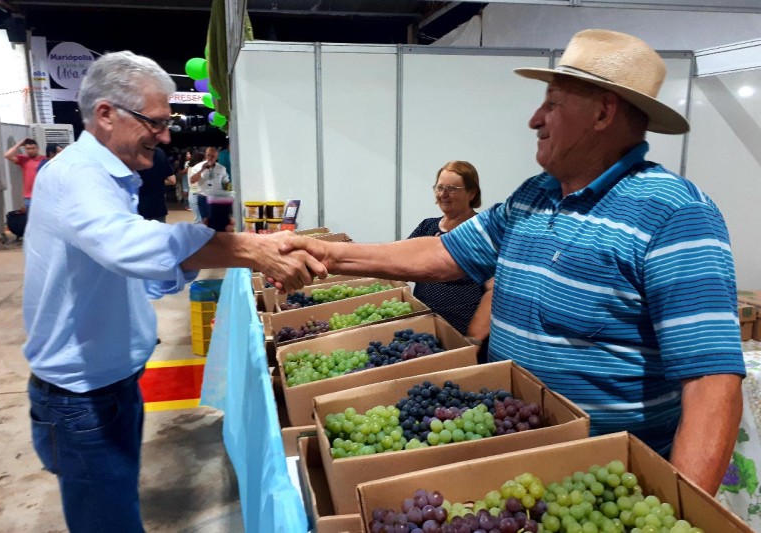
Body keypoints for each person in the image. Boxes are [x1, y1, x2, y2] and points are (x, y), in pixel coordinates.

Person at [278, 29, 745, 496]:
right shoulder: (533, 198)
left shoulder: (675, 215)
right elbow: (443, 253)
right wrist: (329, 253)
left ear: (604, 112)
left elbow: (711, 384)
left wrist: (683, 514)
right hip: (508, 469)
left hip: (597, 494)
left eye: (553, 103)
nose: (534, 119)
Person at [22, 50, 325, 533]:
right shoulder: (78, 177)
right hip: (83, 399)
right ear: (106, 114)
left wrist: (213, 252)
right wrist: (243, 248)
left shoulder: (107, 179)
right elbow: (129, 248)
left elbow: (139, 274)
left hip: (113, 386)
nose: (165, 137)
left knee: (118, 508)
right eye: (156, 122)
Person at [407, 160, 493, 353]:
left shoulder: (483, 232)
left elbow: (494, 291)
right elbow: (402, 264)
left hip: (461, 336)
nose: (443, 194)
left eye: (452, 188)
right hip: (424, 330)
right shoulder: (427, 226)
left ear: (472, 193)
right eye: (440, 188)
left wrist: (473, 339)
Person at [189, 146, 229, 224]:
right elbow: (192, 180)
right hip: (203, 198)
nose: (210, 158)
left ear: (216, 157)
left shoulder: (221, 168)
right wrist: (202, 170)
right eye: (208, 155)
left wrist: (226, 195)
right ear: (205, 155)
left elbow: (226, 182)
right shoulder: (197, 167)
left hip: (217, 198)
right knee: (205, 221)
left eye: (212, 156)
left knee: (217, 220)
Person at [3, 137, 46, 211]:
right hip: (29, 197)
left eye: (33, 148)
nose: (31, 150)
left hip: (43, 196)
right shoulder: (23, 159)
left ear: (38, 148)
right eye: (28, 149)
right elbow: (7, 155)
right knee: (30, 220)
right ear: (25, 149)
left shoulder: (45, 159)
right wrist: (19, 144)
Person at [137, 146, 176, 223]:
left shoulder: (134, 153)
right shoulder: (160, 152)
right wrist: (158, 180)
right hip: (159, 207)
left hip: (140, 209)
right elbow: (172, 180)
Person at [187, 149, 205, 220]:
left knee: (198, 218)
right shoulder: (198, 169)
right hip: (197, 194)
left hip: (192, 193)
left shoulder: (190, 167)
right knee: (200, 219)